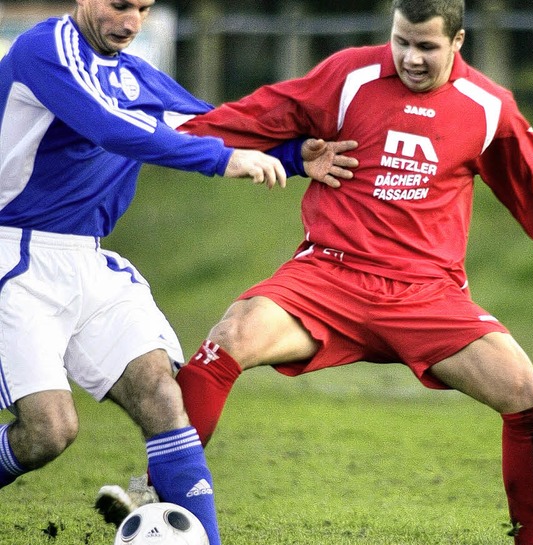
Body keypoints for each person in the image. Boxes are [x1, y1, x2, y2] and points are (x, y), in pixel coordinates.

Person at [98, 0, 533, 544]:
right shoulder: (350, 74)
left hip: (429, 294)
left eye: (426, 46)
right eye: (401, 41)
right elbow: (264, 114)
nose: (410, 57)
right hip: (331, 275)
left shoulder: (489, 107)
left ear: (458, 42)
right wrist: (163, 134)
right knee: (230, 337)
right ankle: (154, 490)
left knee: (527, 394)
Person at [0, 0, 357, 543]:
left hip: (88, 261)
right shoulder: (44, 50)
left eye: (143, 8)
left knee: (163, 396)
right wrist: (225, 162)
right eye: (120, 5)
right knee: (48, 431)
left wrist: (290, 156)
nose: (131, 23)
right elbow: (113, 129)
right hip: (15, 258)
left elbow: (206, 125)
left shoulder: (136, 74)